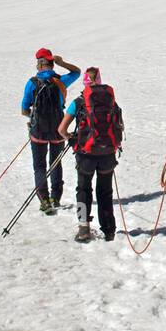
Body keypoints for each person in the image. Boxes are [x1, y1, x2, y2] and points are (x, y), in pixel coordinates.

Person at [58, 68, 123, 243]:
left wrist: (71, 139)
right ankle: (109, 229)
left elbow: (61, 130)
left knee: (83, 189)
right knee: (105, 191)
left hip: (85, 154)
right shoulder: (111, 101)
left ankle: (84, 228)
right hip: (108, 153)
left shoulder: (79, 101)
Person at [21, 49, 80, 214]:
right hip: (57, 131)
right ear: (52, 63)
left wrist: (32, 117)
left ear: (39, 64)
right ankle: (56, 197)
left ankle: (44, 200)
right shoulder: (60, 81)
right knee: (55, 163)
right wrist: (62, 63)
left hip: (38, 131)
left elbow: (24, 109)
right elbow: (77, 72)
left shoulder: (32, 82)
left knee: (39, 166)